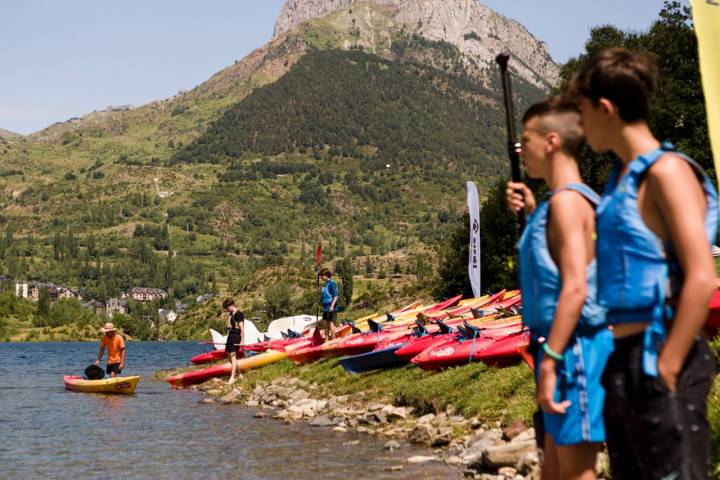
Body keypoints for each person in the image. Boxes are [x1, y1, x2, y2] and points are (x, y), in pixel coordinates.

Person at [568, 48, 718, 479]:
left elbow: (702, 276)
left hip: (661, 353)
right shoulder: (619, 178)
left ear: (606, 109)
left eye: (583, 112)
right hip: (623, 358)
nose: (581, 125)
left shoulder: (668, 172)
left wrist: (666, 367)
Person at [506, 97, 612, 480]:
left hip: (573, 351)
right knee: (553, 470)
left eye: (526, 139)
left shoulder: (568, 203)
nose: (521, 150)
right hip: (559, 346)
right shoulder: (558, 204)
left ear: (551, 140)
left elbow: (575, 289)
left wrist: (550, 359)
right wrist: (534, 213)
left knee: (576, 472)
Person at [222, 299, 245, 384]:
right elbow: (229, 326)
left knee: (233, 356)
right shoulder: (231, 314)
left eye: (227, 308)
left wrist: (242, 340)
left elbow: (241, 327)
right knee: (229, 357)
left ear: (232, 305)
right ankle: (239, 374)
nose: (227, 310)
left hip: (236, 336)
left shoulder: (239, 314)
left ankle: (232, 378)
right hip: (230, 336)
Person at [319, 268, 339, 340]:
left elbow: (336, 296)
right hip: (325, 307)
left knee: (330, 323)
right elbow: (324, 295)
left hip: (331, 306)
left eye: (322, 276)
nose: (321, 277)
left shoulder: (332, 283)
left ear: (326, 275)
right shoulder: (325, 284)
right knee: (325, 324)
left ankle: (333, 340)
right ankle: (326, 340)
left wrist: (332, 306)